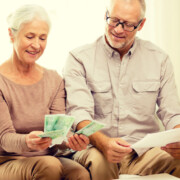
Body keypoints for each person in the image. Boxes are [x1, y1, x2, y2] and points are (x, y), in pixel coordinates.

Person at [63, 0, 180, 179]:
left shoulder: (159, 59)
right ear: (105, 15)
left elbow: (172, 113)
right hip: (96, 150)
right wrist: (104, 143)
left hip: (143, 152)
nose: (118, 29)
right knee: (100, 162)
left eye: (128, 25)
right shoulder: (79, 59)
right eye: (114, 20)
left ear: (141, 25)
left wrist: (178, 140)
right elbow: (79, 114)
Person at [0, 4, 91, 180]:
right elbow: (4, 138)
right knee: (49, 165)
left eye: (42, 38)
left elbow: (59, 134)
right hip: (7, 159)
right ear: (12, 34)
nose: (36, 45)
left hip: (47, 158)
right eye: (30, 36)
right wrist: (27, 141)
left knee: (80, 173)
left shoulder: (53, 79)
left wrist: (70, 141)